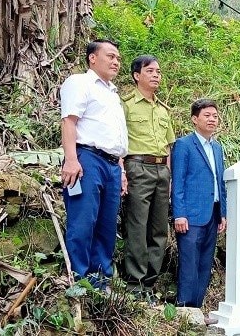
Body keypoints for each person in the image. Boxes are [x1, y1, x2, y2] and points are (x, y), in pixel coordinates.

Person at [60, 39, 128, 289]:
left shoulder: (112, 93)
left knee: (107, 224)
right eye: (110, 56)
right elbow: (69, 121)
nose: (116, 62)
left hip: (112, 164)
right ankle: (78, 279)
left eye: (118, 59)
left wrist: (120, 169)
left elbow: (116, 136)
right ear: (92, 58)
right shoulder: (80, 82)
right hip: (87, 158)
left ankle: (101, 280)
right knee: (83, 220)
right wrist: (71, 159)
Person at [121, 55, 175, 301]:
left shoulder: (164, 110)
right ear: (136, 75)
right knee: (137, 226)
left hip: (162, 170)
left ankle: (149, 285)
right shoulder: (126, 105)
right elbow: (119, 142)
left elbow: (168, 146)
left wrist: (170, 175)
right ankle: (134, 284)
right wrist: (123, 171)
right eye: (150, 71)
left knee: (158, 229)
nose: (156, 75)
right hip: (137, 166)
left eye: (159, 71)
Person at [171, 99, 227, 319]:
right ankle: (184, 309)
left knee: (204, 263)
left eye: (215, 115)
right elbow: (179, 181)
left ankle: (198, 308)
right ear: (195, 119)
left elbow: (219, 182)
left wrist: (223, 212)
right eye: (207, 115)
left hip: (212, 213)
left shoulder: (217, 147)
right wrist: (179, 213)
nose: (212, 119)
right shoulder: (184, 145)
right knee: (189, 262)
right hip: (190, 214)